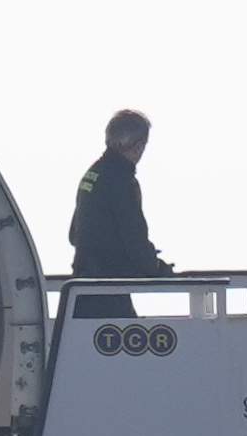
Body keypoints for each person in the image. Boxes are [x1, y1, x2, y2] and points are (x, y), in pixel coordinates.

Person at [68, 108, 171, 318]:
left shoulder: (93, 173)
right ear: (138, 146)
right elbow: (134, 239)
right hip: (108, 290)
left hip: (83, 287)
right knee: (133, 339)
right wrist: (159, 269)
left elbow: (74, 234)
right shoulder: (122, 181)